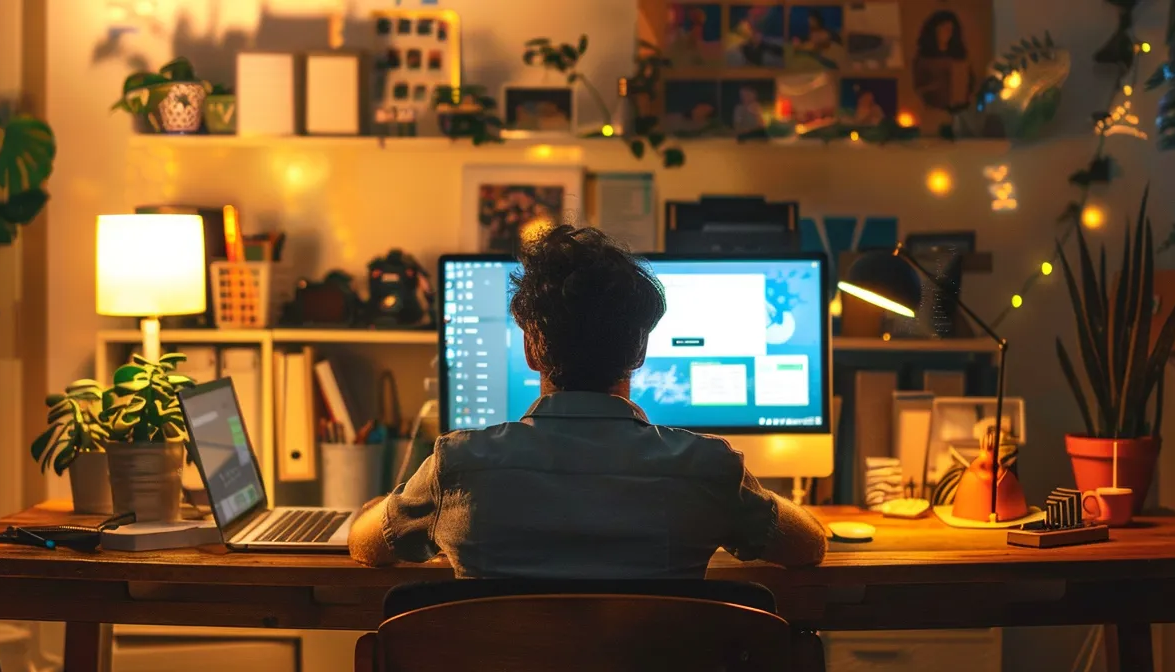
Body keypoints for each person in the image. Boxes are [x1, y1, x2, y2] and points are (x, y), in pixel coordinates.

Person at [349, 226, 828, 578]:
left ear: (531, 349)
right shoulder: (707, 470)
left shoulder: (458, 467)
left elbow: (366, 545)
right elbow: (808, 547)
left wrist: (389, 503)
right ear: (639, 350)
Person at [912, 10, 971, 111]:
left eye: (950, 30)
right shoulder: (924, 58)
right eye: (943, 28)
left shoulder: (960, 56)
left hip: (961, 108)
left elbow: (970, 81)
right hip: (934, 109)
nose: (946, 33)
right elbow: (918, 86)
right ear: (934, 30)